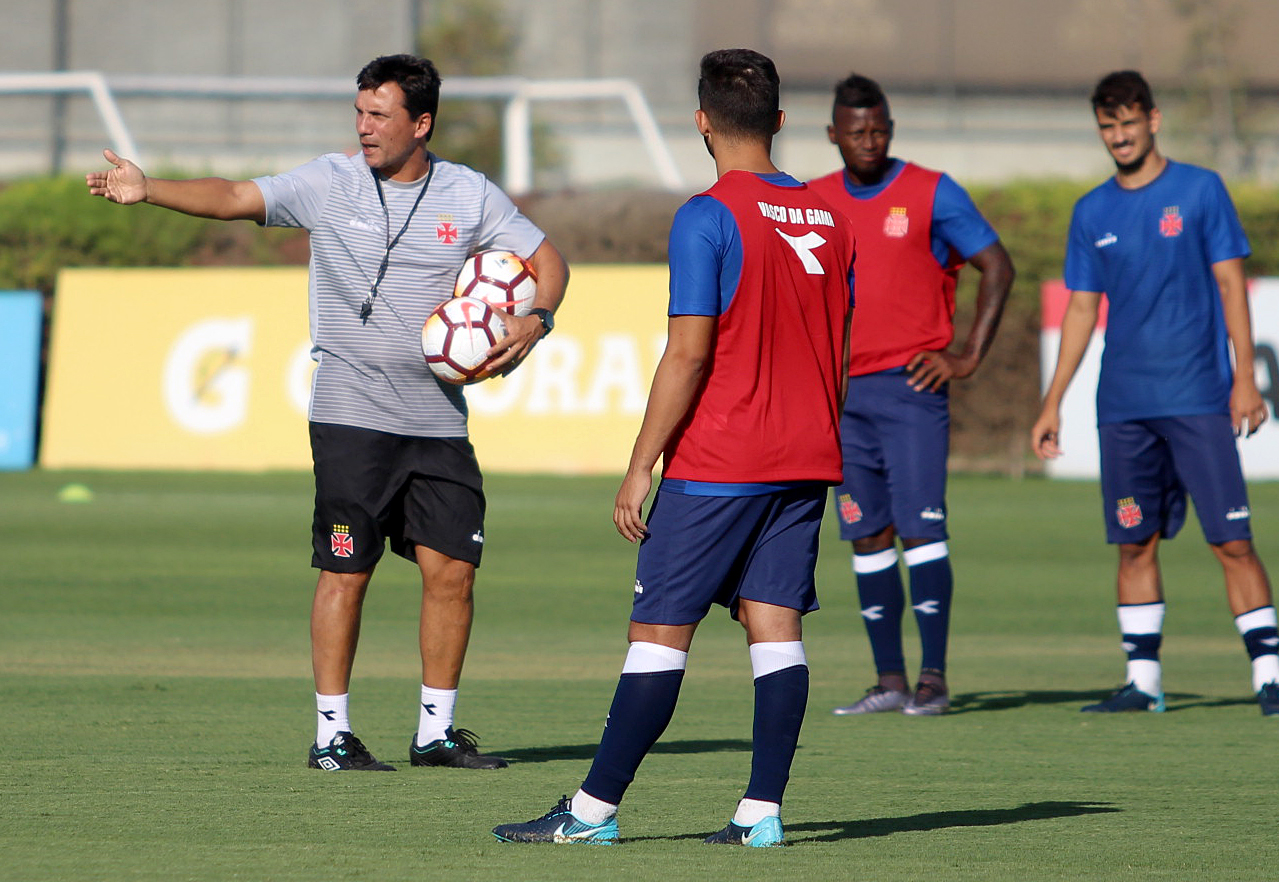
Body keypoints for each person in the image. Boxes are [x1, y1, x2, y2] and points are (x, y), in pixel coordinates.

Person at [86, 54, 571, 767]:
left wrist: (538, 318)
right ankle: (331, 735)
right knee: (346, 571)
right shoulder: (329, 181)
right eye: (360, 112)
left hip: (438, 422)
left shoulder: (469, 194)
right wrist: (148, 187)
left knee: (453, 574)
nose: (364, 127)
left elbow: (549, 260)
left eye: (380, 115)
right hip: (351, 415)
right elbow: (233, 196)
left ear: (421, 123)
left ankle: (435, 734)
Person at [490, 48, 854, 847]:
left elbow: (688, 354)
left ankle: (590, 813)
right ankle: (760, 813)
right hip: (807, 458)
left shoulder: (707, 215)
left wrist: (640, 464)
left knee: (657, 636)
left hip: (722, 460)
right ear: (778, 121)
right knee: (776, 630)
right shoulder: (832, 217)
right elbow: (838, 341)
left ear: (700, 122)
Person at [1030, 70, 1279, 717]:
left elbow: (1231, 285)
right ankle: (1143, 684)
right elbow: (1081, 309)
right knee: (1133, 543)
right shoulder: (1091, 211)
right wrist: (1052, 400)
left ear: (1152, 120)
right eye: (1108, 126)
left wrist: (1245, 377)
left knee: (1231, 541)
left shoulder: (1200, 191)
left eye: (1128, 123)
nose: (1119, 136)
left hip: (1198, 398)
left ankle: (1270, 678)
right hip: (1123, 407)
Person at [809, 74, 1014, 716]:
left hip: (911, 391)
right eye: (857, 131)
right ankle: (889, 679)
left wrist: (967, 356)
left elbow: (998, 266)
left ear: (891, 129)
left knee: (921, 531)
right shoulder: (813, 200)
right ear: (834, 134)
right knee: (866, 535)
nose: (869, 141)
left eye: (879, 130)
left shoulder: (931, 191)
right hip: (843, 401)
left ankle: (933, 678)